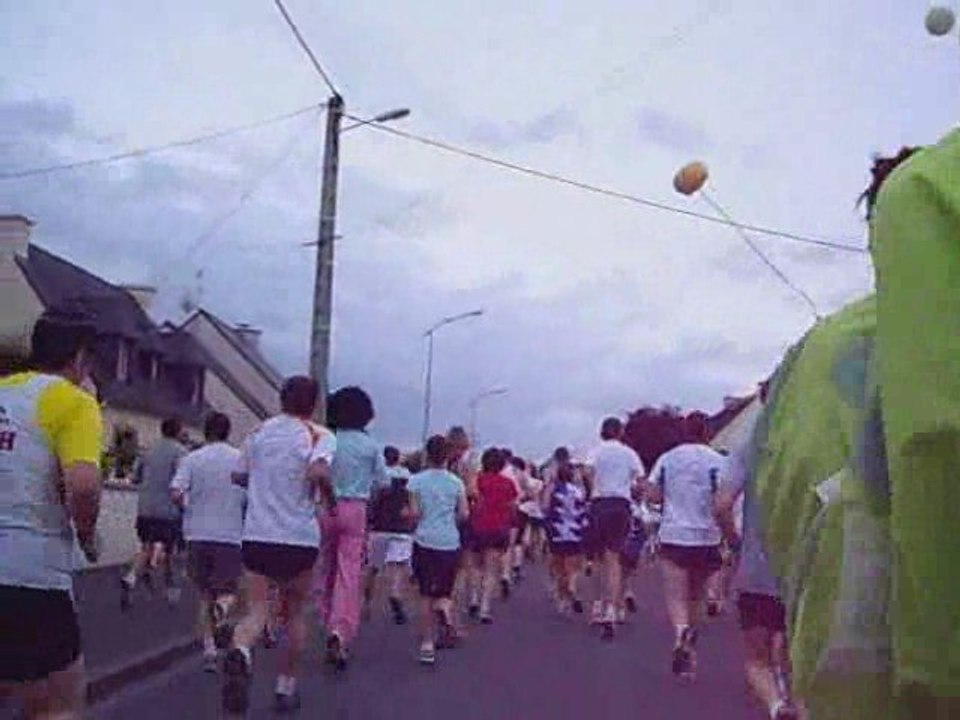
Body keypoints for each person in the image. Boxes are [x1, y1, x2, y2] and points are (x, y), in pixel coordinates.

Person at [0, 307, 103, 720]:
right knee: (59, 700)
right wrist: (88, 534)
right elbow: (82, 485)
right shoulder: (73, 403)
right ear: (79, 358)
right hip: (32, 573)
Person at [221, 376, 335, 715]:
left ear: (281, 399)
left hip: (257, 535)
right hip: (298, 538)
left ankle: (241, 650)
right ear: (313, 404)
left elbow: (237, 475)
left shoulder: (258, 433)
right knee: (294, 614)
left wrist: (264, 480)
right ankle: (286, 688)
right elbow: (317, 473)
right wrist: (330, 498)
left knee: (257, 610)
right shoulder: (319, 435)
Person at [714, 392, 798, 720]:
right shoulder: (815, 442)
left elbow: (721, 506)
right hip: (803, 567)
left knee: (756, 659)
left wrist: (735, 541)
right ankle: (795, 699)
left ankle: (776, 705)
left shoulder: (750, 444)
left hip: (757, 567)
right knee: (797, 658)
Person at [646, 414, 725, 680]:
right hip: (707, 535)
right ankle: (691, 642)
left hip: (674, 534)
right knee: (697, 594)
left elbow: (653, 495)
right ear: (708, 432)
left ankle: (681, 632)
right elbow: (724, 498)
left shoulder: (667, 459)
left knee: (676, 595)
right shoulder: (717, 460)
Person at [316, 386, 386, 670]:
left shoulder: (326, 439)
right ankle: (340, 630)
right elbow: (383, 483)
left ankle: (324, 618)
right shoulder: (370, 446)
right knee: (349, 573)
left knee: (324, 568)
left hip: (325, 507)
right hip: (356, 508)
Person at [170, 411, 245, 673]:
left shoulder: (192, 459)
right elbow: (248, 495)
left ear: (205, 431)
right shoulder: (239, 460)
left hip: (196, 533)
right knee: (228, 592)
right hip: (229, 534)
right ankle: (222, 611)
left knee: (203, 594)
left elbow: (176, 492)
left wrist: (190, 507)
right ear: (228, 431)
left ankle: (209, 651)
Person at [406, 435, 469, 666]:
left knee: (424, 594)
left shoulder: (415, 482)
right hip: (449, 542)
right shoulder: (456, 483)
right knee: (444, 591)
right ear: (448, 456)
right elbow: (464, 514)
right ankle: (444, 608)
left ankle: (426, 645)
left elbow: (414, 513)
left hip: (424, 540)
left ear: (427, 454)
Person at [583, 417, 645, 640]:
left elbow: (587, 472)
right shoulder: (629, 453)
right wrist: (632, 492)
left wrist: (594, 488)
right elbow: (640, 480)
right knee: (614, 558)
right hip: (621, 505)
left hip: (599, 503)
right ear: (620, 432)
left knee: (597, 558)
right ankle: (612, 608)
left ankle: (598, 605)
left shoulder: (596, 451)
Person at [120, 417, 187, 609]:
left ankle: (131, 577)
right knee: (169, 549)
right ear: (177, 431)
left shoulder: (148, 451)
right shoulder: (181, 453)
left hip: (145, 508)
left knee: (147, 547)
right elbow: (181, 482)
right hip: (168, 510)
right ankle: (171, 589)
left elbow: (135, 477)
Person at [466, 447, 518, 624]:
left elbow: (470, 496)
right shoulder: (508, 484)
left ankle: (473, 598)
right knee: (490, 569)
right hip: (498, 529)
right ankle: (484, 608)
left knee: (474, 566)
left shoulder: (478, 480)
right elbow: (513, 506)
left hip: (477, 526)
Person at [364, 445, 414, 626]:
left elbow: (371, 500)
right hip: (401, 529)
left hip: (379, 527)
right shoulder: (408, 477)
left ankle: (366, 602)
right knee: (397, 567)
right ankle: (395, 593)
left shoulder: (378, 477)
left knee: (373, 567)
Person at [542, 454, 587, 615]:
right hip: (575, 532)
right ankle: (572, 587)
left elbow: (545, 507)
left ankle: (563, 599)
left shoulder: (552, 489)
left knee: (559, 567)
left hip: (557, 531)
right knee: (574, 566)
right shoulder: (578, 491)